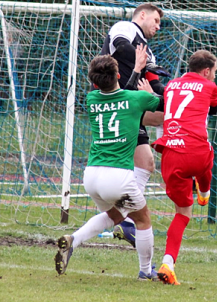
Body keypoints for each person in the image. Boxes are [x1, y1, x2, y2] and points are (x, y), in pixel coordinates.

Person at [54, 53, 162, 280]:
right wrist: (150, 90)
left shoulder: (91, 99)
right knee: (143, 220)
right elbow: (160, 103)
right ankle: (145, 271)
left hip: (92, 176)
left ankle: (74, 239)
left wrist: (134, 74)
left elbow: (120, 95)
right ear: (118, 75)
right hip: (118, 177)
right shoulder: (137, 99)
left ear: (95, 82)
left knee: (115, 215)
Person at [98, 3, 169, 246]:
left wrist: (178, 95)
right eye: (156, 21)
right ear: (142, 15)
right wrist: (142, 64)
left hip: (129, 106)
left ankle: (124, 221)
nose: (158, 27)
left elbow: (156, 85)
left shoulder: (147, 51)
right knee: (125, 164)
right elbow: (122, 48)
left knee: (146, 162)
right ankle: (123, 219)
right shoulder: (126, 27)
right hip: (113, 104)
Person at [151, 50, 217, 285]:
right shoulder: (210, 86)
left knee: (182, 213)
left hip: (170, 154)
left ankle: (167, 264)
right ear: (207, 71)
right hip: (196, 151)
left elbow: (164, 96)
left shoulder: (171, 85)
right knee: (208, 151)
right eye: (214, 72)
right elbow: (213, 110)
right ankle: (204, 191)